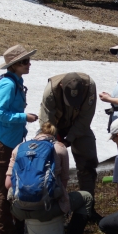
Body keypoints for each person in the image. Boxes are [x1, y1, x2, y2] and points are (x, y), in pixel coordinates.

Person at [5, 122, 93, 234]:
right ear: (55, 135)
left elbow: (8, 184)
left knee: (26, 194)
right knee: (86, 198)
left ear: (37, 134)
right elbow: (63, 184)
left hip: (19, 211)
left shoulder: (19, 148)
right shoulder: (59, 148)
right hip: (46, 209)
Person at [0, 44, 39, 234]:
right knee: (5, 188)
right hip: (3, 144)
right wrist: (23, 117)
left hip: (11, 141)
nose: (29, 64)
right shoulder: (8, 84)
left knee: (13, 186)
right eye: (25, 61)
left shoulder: (16, 82)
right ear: (15, 65)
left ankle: (16, 230)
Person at [38, 72, 102, 222]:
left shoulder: (89, 87)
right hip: (55, 127)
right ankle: (53, 208)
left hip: (79, 125)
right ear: (61, 87)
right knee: (50, 163)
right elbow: (47, 123)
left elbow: (86, 118)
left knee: (88, 163)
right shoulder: (51, 92)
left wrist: (70, 138)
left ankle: (88, 208)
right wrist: (56, 142)